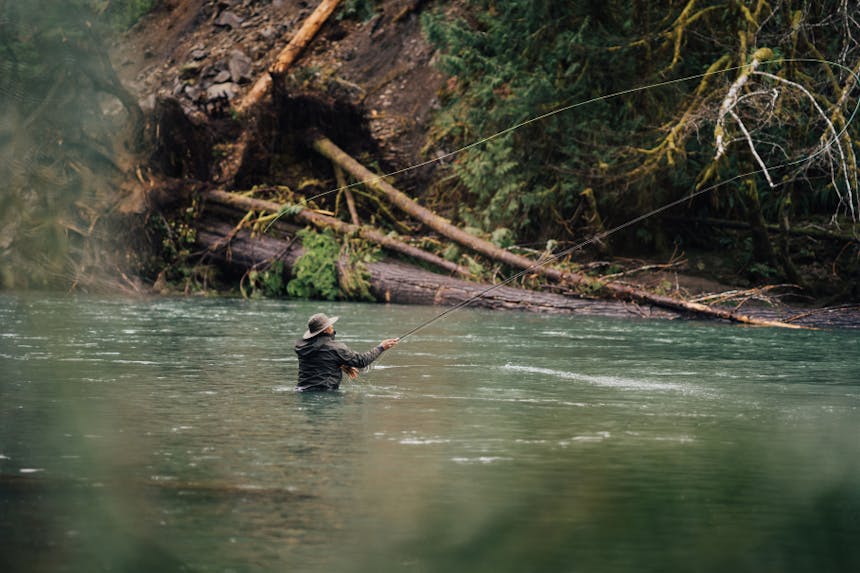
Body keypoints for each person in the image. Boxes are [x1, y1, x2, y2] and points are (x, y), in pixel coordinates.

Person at [294, 312, 398, 391]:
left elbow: (320, 361)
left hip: (302, 390)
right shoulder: (335, 348)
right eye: (329, 325)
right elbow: (361, 361)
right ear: (325, 330)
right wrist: (381, 347)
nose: (332, 326)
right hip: (325, 393)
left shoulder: (304, 347)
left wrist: (341, 364)